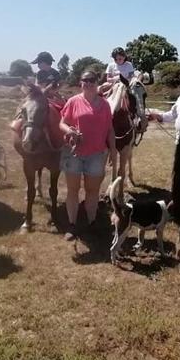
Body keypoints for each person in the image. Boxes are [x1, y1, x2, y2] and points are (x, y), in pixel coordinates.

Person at [59, 69, 115, 240]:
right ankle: (72, 224)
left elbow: (110, 129)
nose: (88, 83)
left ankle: (92, 222)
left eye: (92, 80)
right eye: (85, 80)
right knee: (73, 190)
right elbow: (62, 123)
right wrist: (70, 130)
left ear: (97, 83)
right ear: (80, 83)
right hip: (74, 153)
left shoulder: (105, 105)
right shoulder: (73, 101)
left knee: (93, 190)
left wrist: (113, 151)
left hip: (97, 154)